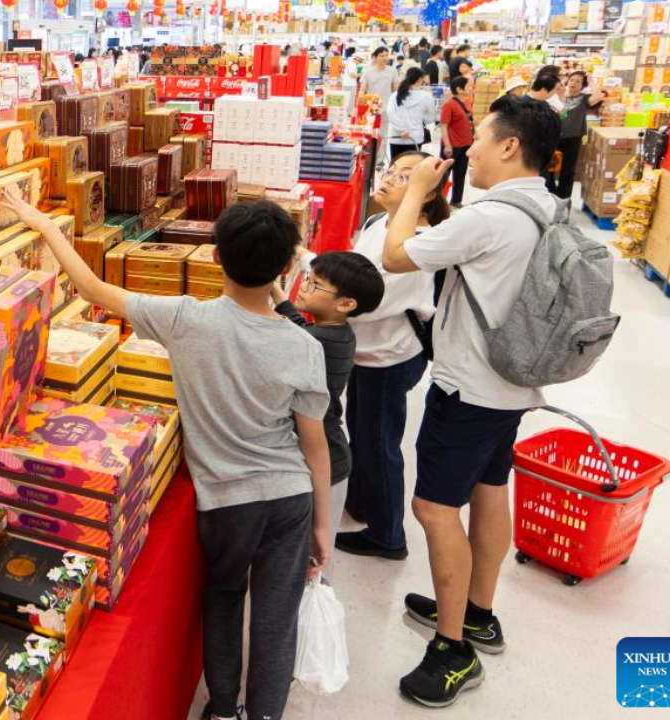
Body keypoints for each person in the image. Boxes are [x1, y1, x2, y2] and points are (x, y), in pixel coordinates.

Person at [0, 193, 333, 720]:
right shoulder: (304, 347)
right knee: (276, 617)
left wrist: (44, 223)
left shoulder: (184, 319)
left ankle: (223, 709)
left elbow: (91, 288)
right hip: (289, 496)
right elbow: (314, 443)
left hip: (226, 500)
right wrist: (322, 520)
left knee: (224, 596)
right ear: (288, 268)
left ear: (215, 258)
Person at [381, 95, 561, 707]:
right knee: (489, 490)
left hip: (470, 388)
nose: (468, 150)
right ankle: (478, 611)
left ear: (510, 146)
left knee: (434, 510)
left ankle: (453, 650)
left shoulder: (490, 216)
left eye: (479, 139)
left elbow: (395, 254)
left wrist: (411, 195)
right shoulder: (545, 205)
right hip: (511, 382)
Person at [337, 151, 450, 560]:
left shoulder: (417, 244)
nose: (387, 179)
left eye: (405, 177)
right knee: (362, 433)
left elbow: (375, 300)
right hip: (366, 350)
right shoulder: (375, 223)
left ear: (425, 194)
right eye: (391, 171)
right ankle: (365, 501)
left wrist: (326, 300)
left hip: (389, 356)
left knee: (379, 442)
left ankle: (388, 535)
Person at [270, 251, 384, 580]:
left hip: (325, 465)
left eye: (315, 284)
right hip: (330, 459)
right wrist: (277, 293)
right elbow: (298, 326)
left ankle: (308, 627)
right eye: (307, 278)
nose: (304, 286)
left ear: (346, 304)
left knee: (313, 563)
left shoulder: (317, 342)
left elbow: (293, 336)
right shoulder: (334, 332)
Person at [547, 70, 604, 199]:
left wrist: (591, 81)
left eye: (578, 81)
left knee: (568, 170)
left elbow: (598, 96)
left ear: (583, 86)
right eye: (572, 80)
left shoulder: (584, 99)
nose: (574, 83)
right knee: (549, 166)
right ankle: (550, 192)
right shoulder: (557, 96)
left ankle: (564, 197)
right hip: (554, 136)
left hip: (573, 138)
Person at [439, 75, 476, 206]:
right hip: (452, 145)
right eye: (468, 86)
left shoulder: (466, 103)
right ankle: (438, 202)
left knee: (460, 173)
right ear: (459, 89)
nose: (471, 88)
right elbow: (444, 126)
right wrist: (447, 145)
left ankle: (456, 200)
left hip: (466, 144)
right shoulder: (449, 105)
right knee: (443, 175)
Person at [387, 67, 436, 161]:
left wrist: (401, 130)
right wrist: (421, 119)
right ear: (419, 80)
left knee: (396, 166)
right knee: (412, 167)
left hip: (396, 137)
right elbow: (431, 118)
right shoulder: (426, 96)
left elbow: (390, 113)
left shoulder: (395, 95)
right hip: (415, 138)